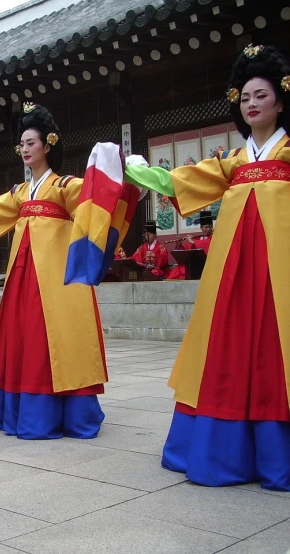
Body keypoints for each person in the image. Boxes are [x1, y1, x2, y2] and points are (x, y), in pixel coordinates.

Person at [124, 44, 290, 491]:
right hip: (233, 275)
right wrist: (142, 171)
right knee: (228, 348)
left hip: (282, 272)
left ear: (281, 99)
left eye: (261, 95)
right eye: (245, 98)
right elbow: (183, 180)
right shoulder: (233, 163)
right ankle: (223, 452)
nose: (252, 104)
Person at [0, 103, 135, 439]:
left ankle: (63, 411)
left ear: (48, 145)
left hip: (56, 276)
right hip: (21, 275)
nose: (25, 149)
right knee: (23, 337)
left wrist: (120, 169)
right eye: (21, 144)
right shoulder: (19, 193)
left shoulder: (64, 186)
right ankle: (20, 409)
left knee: (55, 337)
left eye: (31, 143)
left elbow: (97, 196)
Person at [165, 211, 214, 280]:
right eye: (206, 227)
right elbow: (186, 251)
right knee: (180, 268)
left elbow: (208, 244)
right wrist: (179, 245)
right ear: (201, 227)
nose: (208, 229)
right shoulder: (197, 238)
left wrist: (194, 242)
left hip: (206, 264)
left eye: (210, 227)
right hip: (195, 264)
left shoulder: (213, 237)